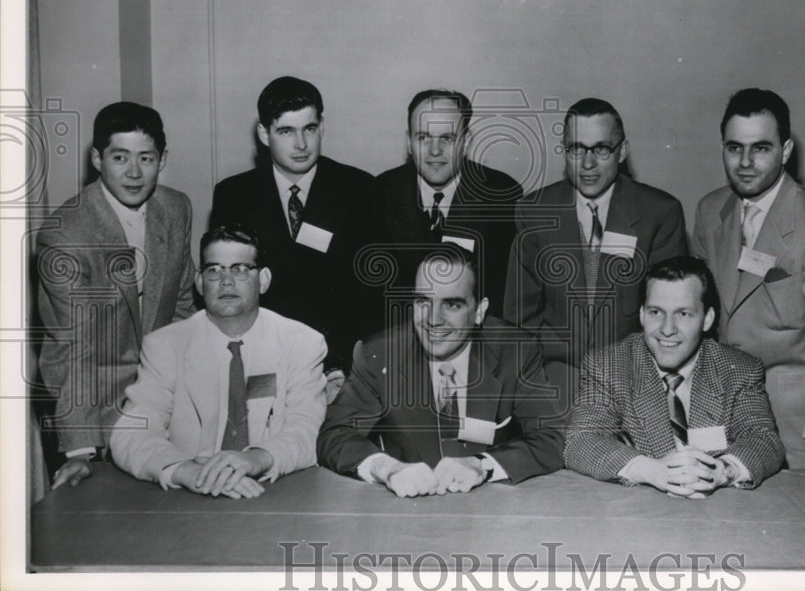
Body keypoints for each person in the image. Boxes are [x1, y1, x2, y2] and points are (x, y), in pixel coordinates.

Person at [317, 244, 563, 497]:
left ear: (479, 311)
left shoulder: (515, 352)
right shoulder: (378, 355)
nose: (433, 319)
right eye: (423, 301)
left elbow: (550, 438)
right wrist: (386, 468)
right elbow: (335, 434)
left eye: (452, 305)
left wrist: (482, 465)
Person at [36, 102, 197, 489]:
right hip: (98, 408)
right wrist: (79, 451)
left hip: (168, 399)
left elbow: (181, 307)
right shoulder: (66, 234)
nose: (134, 172)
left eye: (146, 158)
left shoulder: (176, 208)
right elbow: (71, 348)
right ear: (97, 158)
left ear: (163, 160)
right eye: (120, 157)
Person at [110, 224, 326, 498]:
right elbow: (131, 433)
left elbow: (306, 429)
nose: (226, 281)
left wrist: (256, 459)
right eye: (214, 270)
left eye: (240, 269)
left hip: (274, 489)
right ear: (200, 283)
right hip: (189, 494)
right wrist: (189, 472)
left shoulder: (302, 343)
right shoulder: (165, 345)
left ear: (263, 280)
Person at [564, 256, 784, 494]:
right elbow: (581, 440)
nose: (667, 329)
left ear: (707, 319)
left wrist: (720, 471)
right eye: (656, 312)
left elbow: (763, 439)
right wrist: (653, 470)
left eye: (684, 314)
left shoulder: (739, 370)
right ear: (641, 315)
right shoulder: (608, 365)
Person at [210, 76, 381, 378]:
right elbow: (227, 293)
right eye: (286, 131)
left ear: (322, 127)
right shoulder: (233, 196)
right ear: (264, 134)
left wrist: (344, 365)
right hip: (260, 362)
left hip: (341, 364)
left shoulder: (359, 190)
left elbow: (370, 295)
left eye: (309, 129)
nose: (301, 144)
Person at [504, 97, 687, 369]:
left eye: (601, 149)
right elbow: (521, 318)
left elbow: (668, 319)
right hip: (555, 371)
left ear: (622, 151)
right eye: (576, 149)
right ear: (563, 151)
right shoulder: (534, 212)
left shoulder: (660, 213)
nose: (588, 164)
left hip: (633, 371)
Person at [691, 88, 805, 474]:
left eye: (761, 148)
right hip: (719, 424)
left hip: (793, 431)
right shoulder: (710, 210)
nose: (745, 162)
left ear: (786, 150)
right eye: (734, 148)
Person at [375, 89, 521, 313]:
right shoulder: (379, 193)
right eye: (423, 137)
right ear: (408, 142)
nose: (435, 151)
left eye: (447, 138)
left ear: (466, 142)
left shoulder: (501, 195)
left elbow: (504, 297)